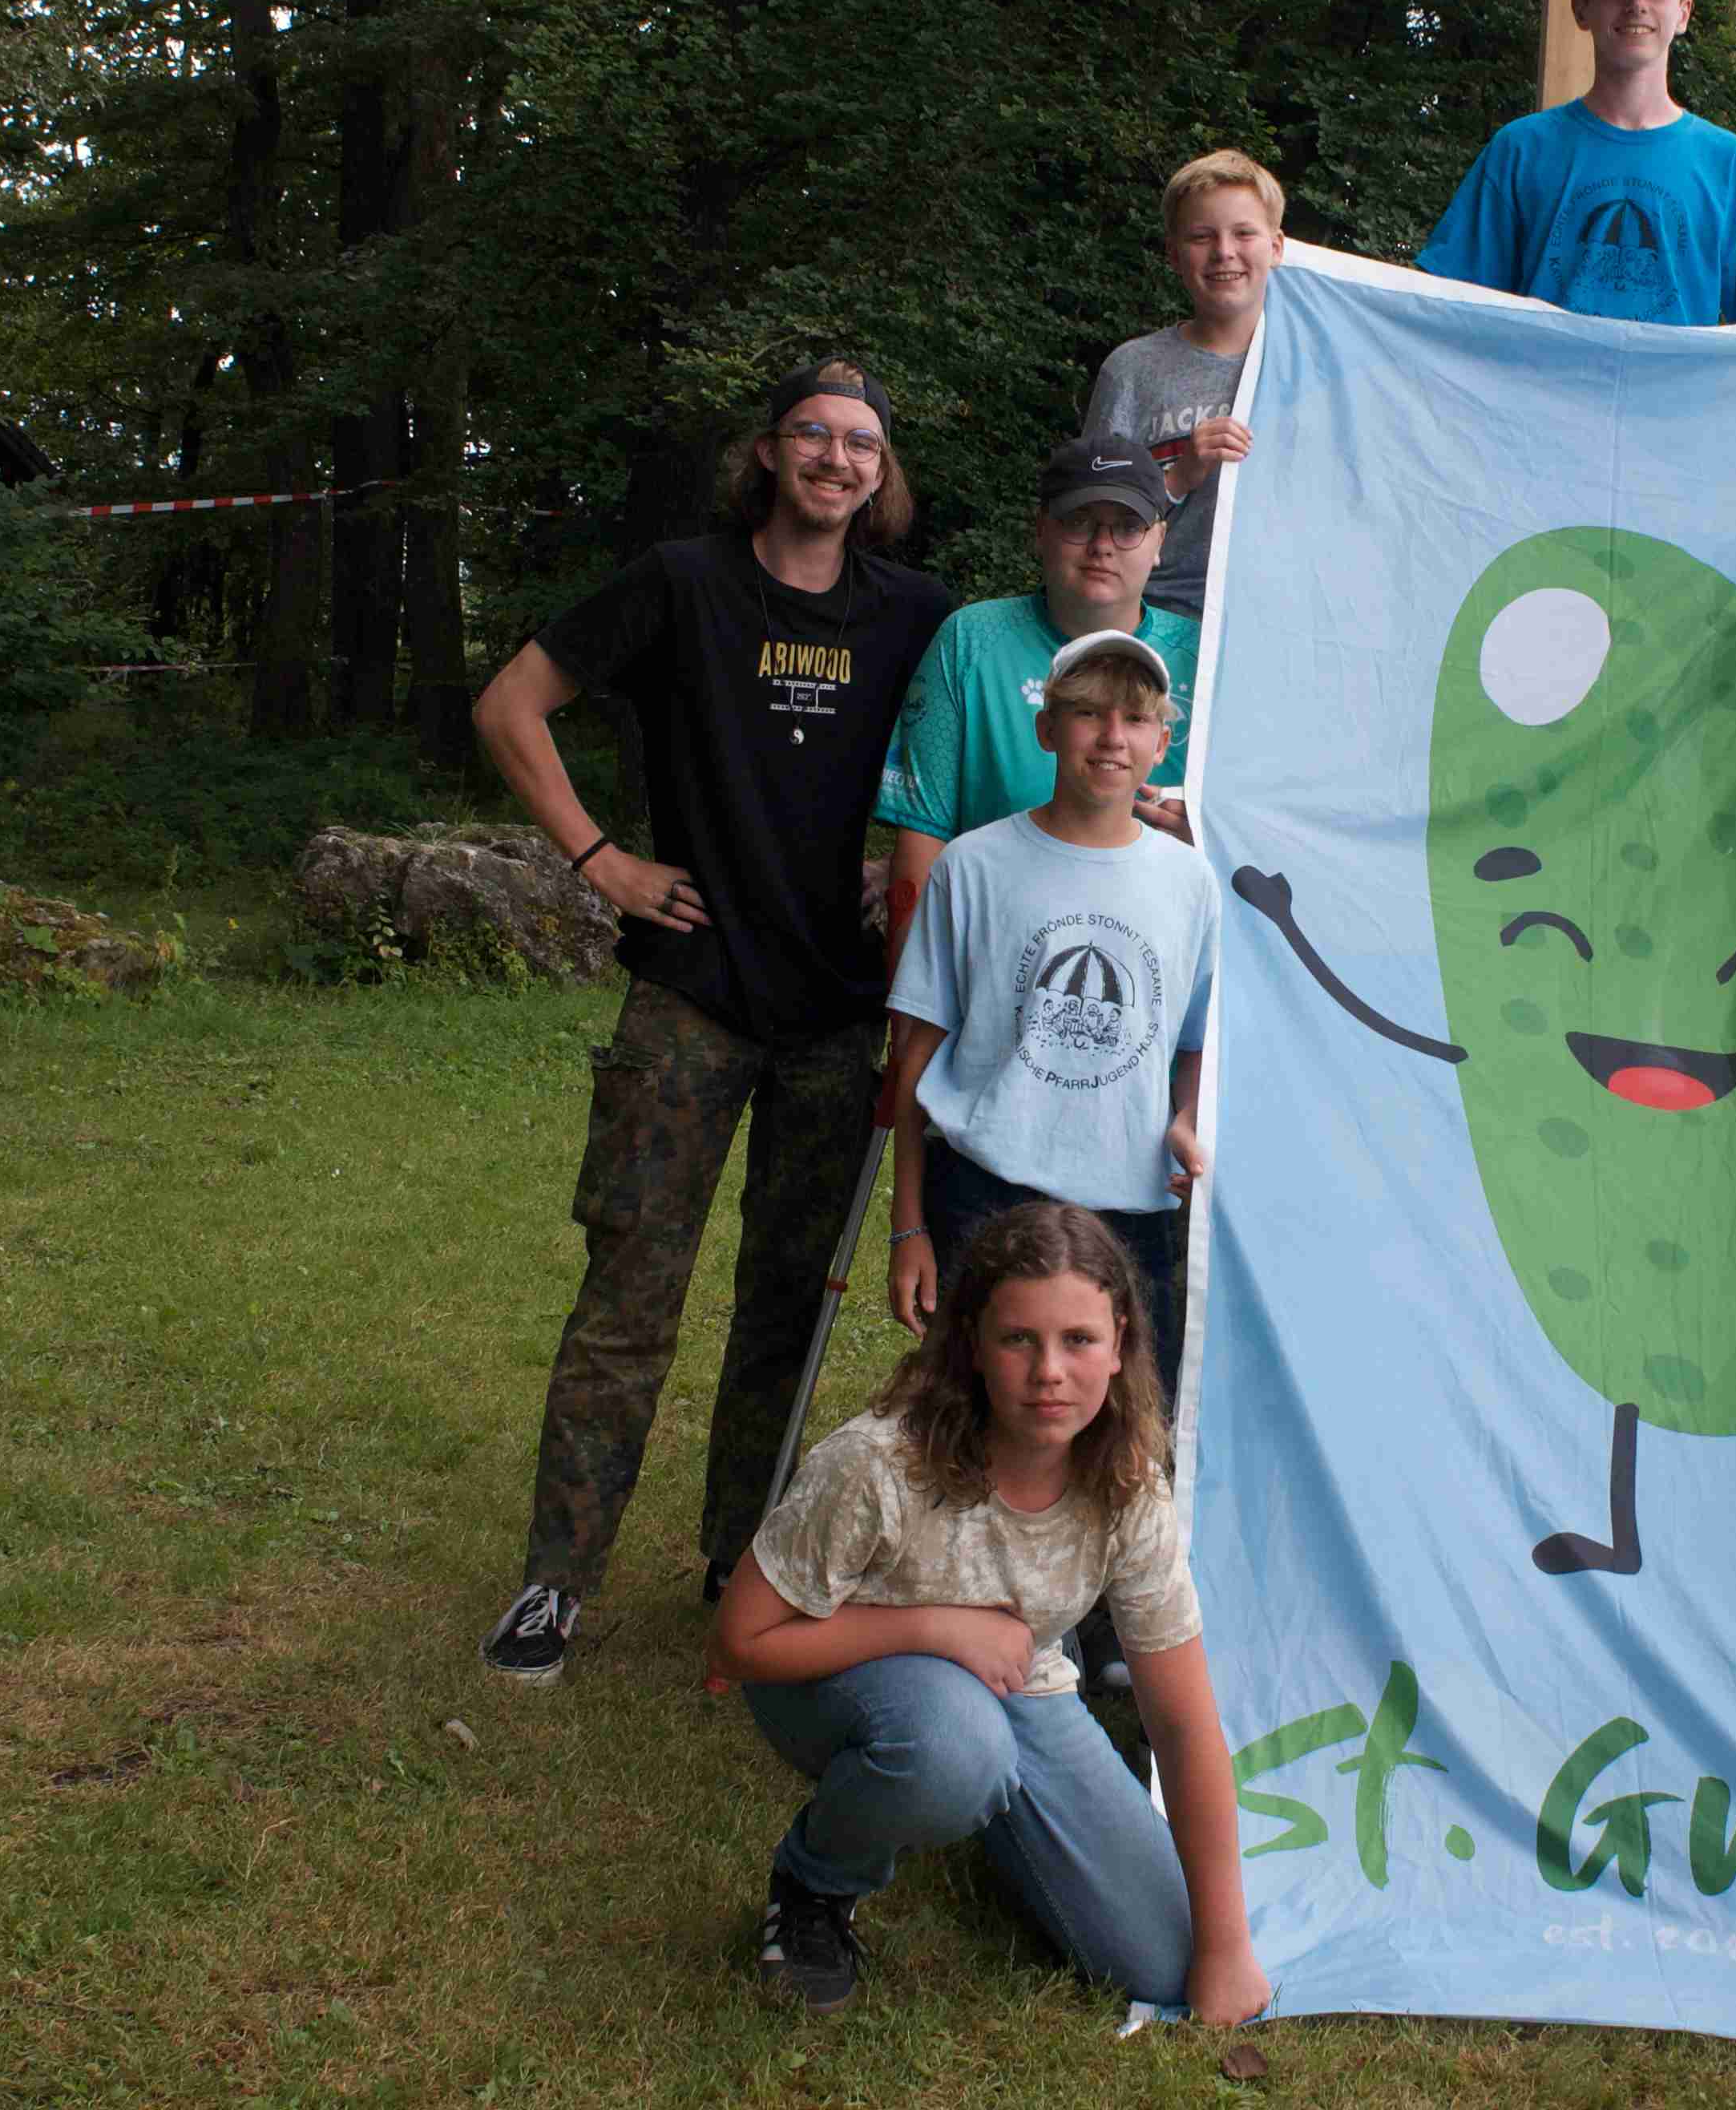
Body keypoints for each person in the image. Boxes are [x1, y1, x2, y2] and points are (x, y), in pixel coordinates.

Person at [468, 359, 952, 1684]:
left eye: (861, 443)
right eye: (814, 435)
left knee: (788, 1302)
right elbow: (509, 704)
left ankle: (742, 1561)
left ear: (882, 473)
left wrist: (919, 857)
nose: (837, 459)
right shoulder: (681, 583)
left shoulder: (915, 612)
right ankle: (556, 1582)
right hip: (690, 994)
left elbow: (986, 745)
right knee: (630, 1291)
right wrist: (598, 860)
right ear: (769, 453)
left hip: (839, 1010)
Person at [713, 1201, 1271, 2028]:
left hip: (1015, 1681)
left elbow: (1183, 1721)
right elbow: (738, 1642)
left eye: (1078, 1340)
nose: (1050, 1371)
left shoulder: (1126, 1483)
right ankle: (815, 1882)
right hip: (830, 1668)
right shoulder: (878, 1464)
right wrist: (937, 1629)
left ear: (1120, 1342)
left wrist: (1225, 1947)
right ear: (972, 1343)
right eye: (1018, 1339)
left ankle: (980, 1802)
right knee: (953, 1752)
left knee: (1162, 1959)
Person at [881, 631, 1215, 1408]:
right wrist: (908, 1224)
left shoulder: (1192, 882)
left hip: (1129, 1204)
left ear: (1162, 743)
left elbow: (1198, 1038)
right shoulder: (972, 866)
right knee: (972, 1417)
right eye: (1088, 713)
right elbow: (915, 1055)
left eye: (1135, 719)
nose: (1111, 737)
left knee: (1124, 1429)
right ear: (1046, 728)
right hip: (985, 1190)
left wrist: (1186, 1116)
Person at [1415, 0, 1736, 327]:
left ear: (1683, 12)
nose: (1636, 3)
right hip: (1543, 372)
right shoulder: (1521, 151)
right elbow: (1441, 303)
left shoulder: (1732, 165)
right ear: (1581, 9)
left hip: (1676, 375)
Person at [879, 437, 1201, 914]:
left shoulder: (1205, 658)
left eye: (1129, 526)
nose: (1102, 546)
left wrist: (1214, 842)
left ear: (1160, 541)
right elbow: (921, 842)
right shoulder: (970, 641)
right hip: (991, 934)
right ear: (1041, 530)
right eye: (1078, 521)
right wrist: (911, 961)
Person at [1081, 150, 1285, 620]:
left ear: (1276, 247)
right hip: (1159, 617)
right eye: (1201, 236)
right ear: (1174, 255)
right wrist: (1180, 476)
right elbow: (1093, 519)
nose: (1224, 252)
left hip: (1279, 621)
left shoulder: (1318, 370)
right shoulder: (1132, 370)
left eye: (1244, 233)